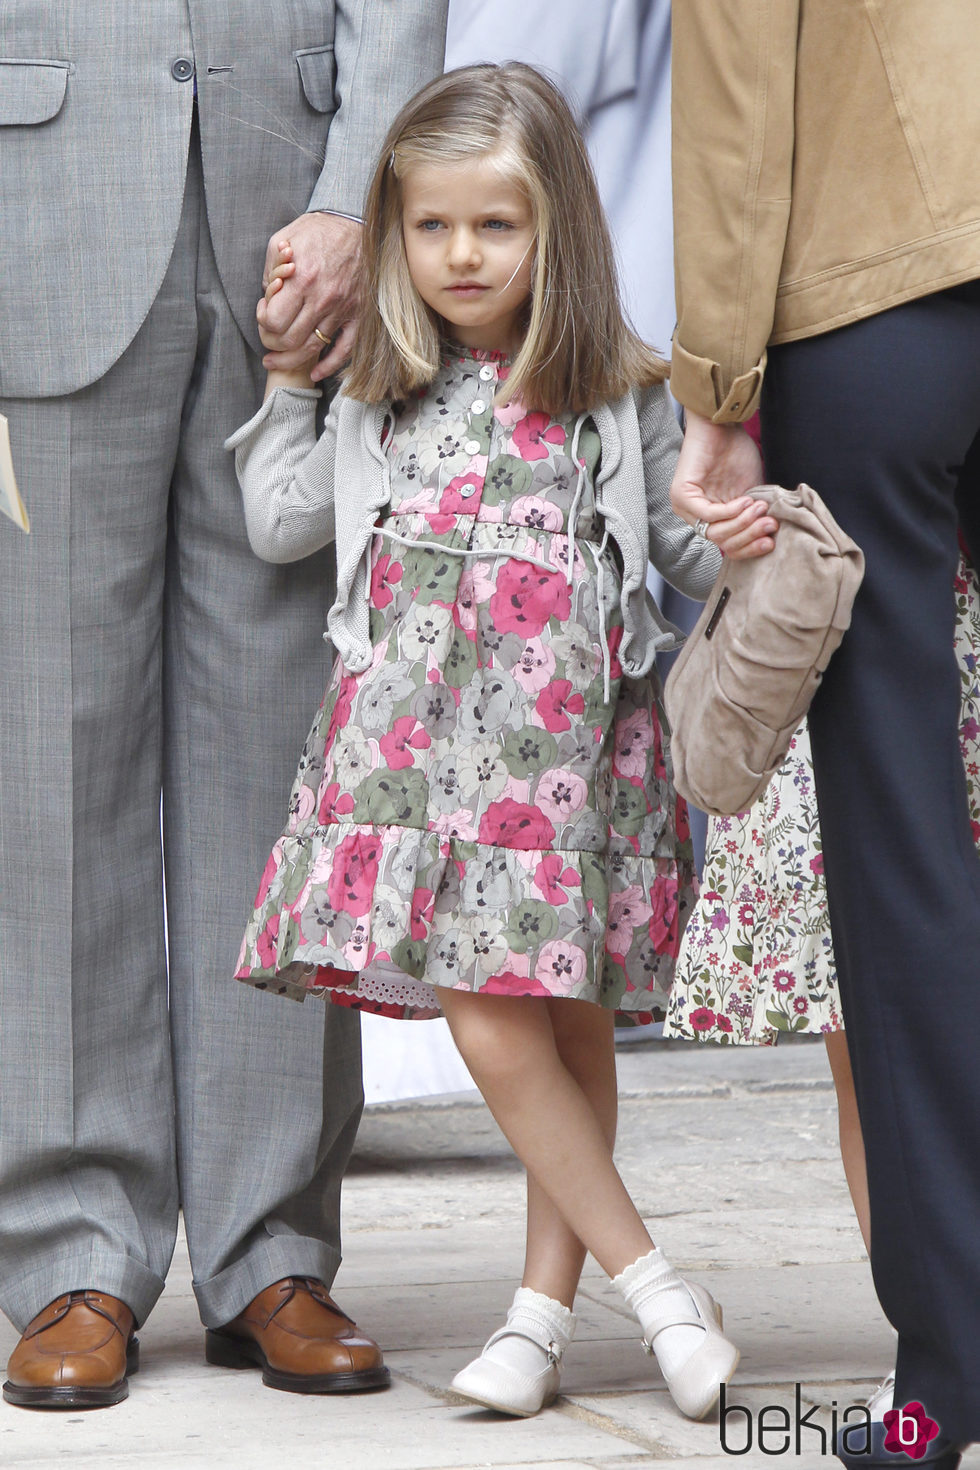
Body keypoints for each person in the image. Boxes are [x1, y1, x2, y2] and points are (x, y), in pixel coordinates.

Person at [226, 62, 773, 1423]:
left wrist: (742, 537)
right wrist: (292, 387)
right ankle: (655, 1290)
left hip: (571, 767)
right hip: (418, 772)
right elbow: (280, 519)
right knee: (488, 1009)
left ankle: (536, 1314)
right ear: (396, 234)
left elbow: (687, 548)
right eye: (431, 227)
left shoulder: (611, 390)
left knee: (565, 1022)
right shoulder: (379, 384)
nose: (461, 255)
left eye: (496, 225)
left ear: (557, 233)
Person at [0, 2, 448, 1411]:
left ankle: (272, 1242)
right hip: (43, 214)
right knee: (56, 759)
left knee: (278, 756)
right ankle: (71, 1243)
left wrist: (357, 194)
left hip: (296, 223)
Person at [668, 5, 980, 1465]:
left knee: (907, 858)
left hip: (882, 282)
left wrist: (717, 389)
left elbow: (740, 69)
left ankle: (949, 1379)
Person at [668, 552, 980, 1421]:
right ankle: (942, 1340)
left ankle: (946, 1341)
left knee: (884, 1048)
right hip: (826, 625)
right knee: (873, 1048)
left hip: (923, 609)